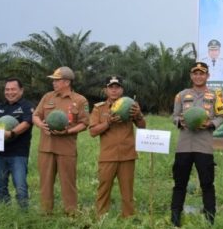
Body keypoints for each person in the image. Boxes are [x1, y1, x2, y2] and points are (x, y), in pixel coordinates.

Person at [170, 62, 223, 226]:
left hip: (204, 146)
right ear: (191, 76)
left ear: (207, 76)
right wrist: (180, 122)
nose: (198, 76)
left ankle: (210, 219)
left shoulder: (216, 95)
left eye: (202, 73)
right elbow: (174, 116)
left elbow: (221, 117)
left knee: (207, 184)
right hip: (184, 146)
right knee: (180, 183)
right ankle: (175, 219)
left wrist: (210, 124)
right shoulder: (181, 95)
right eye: (195, 73)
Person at [32, 66, 90, 214]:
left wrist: (68, 131)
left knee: (68, 182)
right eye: (54, 81)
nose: (54, 83)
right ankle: (46, 212)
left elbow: (84, 123)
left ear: (67, 82)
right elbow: (36, 115)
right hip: (46, 147)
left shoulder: (79, 100)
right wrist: (41, 125)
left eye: (57, 80)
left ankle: (71, 213)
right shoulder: (47, 97)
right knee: (45, 182)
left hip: (66, 149)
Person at [88, 76, 146, 218]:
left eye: (117, 87)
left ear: (122, 90)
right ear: (105, 90)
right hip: (108, 155)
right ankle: (101, 216)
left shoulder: (131, 105)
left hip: (127, 154)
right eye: (111, 87)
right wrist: (108, 123)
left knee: (127, 190)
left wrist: (138, 115)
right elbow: (93, 132)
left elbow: (142, 127)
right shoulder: (99, 108)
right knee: (104, 188)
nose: (114, 90)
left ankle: (128, 216)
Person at [0, 78, 34, 209]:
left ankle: (24, 212)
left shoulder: (26, 106)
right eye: (7, 89)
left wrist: (11, 133)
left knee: (20, 186)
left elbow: (26, 123)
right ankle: (5, 210)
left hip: (18, 153)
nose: (9, 92)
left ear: (21, 90)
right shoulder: (0, 107)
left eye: (13, 89)